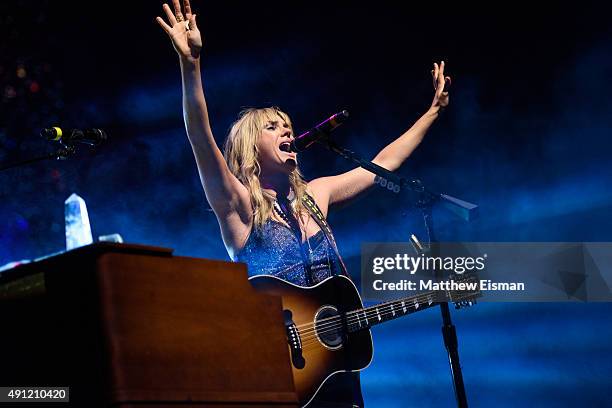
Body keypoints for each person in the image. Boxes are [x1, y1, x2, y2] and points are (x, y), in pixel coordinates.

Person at [157, 1, 450, 406]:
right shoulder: (238, 206)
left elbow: (383, 164)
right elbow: (199, 136)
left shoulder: (316, 195)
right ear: (249, 146)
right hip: (278, 379)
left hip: (337, 372)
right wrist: (190, 65)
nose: (287, 131)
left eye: (289, 127)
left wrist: (431, 113)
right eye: (273, 127)